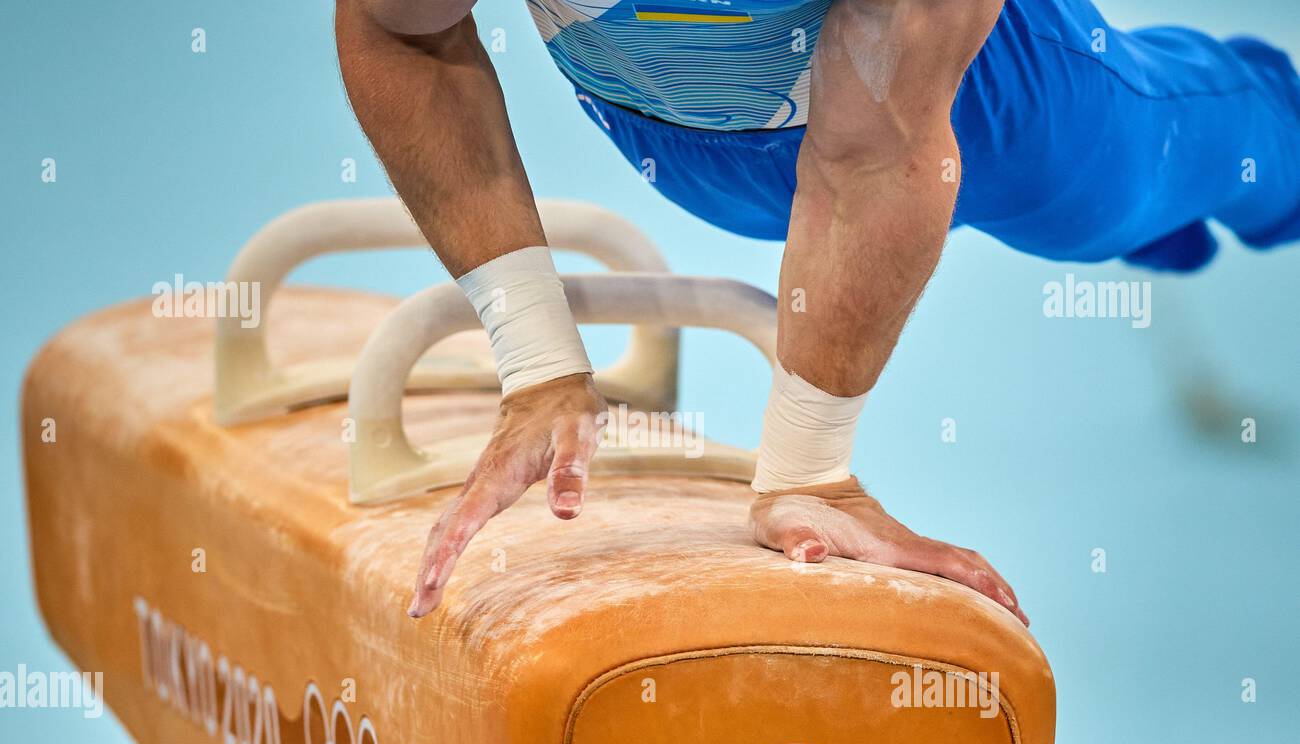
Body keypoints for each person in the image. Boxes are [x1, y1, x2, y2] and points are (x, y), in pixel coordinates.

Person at [334, 0, 1300, 622]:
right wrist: (537, 364)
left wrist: (807, 472)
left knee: (1163, 177)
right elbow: (397, 28)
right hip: (687, 146)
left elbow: (870, 160)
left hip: (996, 107)